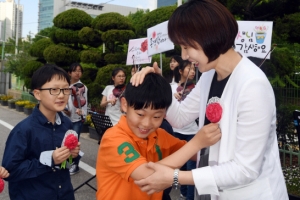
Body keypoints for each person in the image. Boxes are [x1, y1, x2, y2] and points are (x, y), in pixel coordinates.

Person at [131, 0, 288, 199]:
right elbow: (179, 117)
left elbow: (246, 169)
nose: (184, 55)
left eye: (187, 47)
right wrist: (158, 83)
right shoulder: (209, 76)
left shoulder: (252, 85)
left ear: (210, 38)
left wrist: (176, 177)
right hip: (218, 191)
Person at [95, 73, 221, 200]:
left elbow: (194, 154)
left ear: (165, 113)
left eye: (156, 116)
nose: (147, 124)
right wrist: (197, 143)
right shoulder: (113, 138)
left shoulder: (159, 135)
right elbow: (148, 176)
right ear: (124, 105)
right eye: (140, 114)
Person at [2, 64, 81, 200]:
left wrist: (72, 156)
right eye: (54, 90)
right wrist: (49, 160)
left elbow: (65, 165)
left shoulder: (66, 124)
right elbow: (11, 171)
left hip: (64, 194)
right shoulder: (23, 130)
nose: (62, 95)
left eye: (65, 89)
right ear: (37, 94)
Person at [172, 60, 198, 200]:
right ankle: (183, 191)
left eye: (194, 69)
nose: (193, 71)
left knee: (191, 167)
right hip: (176, 131)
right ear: (180, 71)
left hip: (192, 131)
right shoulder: (172, 88)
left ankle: (190, 197)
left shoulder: (196, 88)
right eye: (189, 68)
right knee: (180, 165)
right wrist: (174, 99)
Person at [63, 63, 88, 175]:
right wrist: (64, 109)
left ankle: (75, 165)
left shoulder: (83, 87)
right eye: (75, 71)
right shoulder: (65, 86)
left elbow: (84, 102)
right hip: (65, 117)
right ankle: (66, 165)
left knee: (74, 144)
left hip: (77, 118)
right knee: (64, 142)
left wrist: (82, 112)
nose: (78, 73)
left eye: (80, 71)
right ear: (69, 73)